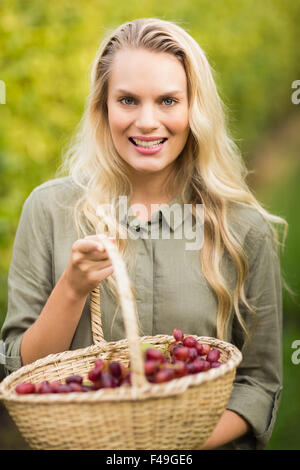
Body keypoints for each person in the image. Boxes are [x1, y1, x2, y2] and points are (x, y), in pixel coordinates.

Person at [0, 18, 288, 450]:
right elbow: (23, 374)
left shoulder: (242, 228)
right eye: (128, 100)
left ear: (195, 109)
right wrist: (73, 288)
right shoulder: (49, 210)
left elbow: (259, 383)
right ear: (104, 107)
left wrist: (168, 448)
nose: (147, 122)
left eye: (168, 100)